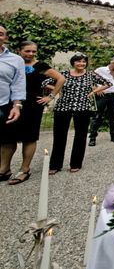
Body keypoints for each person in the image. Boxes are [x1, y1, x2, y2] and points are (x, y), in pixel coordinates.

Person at [1, 41, 65, 185]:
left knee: (29, 137)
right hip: (11, 103)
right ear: (19, 51)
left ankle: (24, 170)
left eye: (33, 51)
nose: (30, 54)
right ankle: (4, 169)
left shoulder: (40, 66)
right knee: (7, 137)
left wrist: (50, 96)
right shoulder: (12, 63)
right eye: (27, 51)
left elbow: (61, 78)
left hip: (32, 105)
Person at [49, 53, 110, 175]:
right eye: (78, 61)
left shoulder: (90, 75)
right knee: (59, 136)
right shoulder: (64, 74)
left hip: (82, 108)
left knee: (80, 136)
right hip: (63, 107)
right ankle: (55, 165)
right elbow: (45, 82)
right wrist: (57, 90)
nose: (81, 64)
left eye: (83, 61)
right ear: (73, 63)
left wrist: (94, 91)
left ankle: (75, 163)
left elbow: (108, 83)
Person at [0, 25, 26, 182]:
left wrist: (17, 105)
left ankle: (4, 169)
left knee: (7, 138)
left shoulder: (15, 60)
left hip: (4, 104)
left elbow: (18, 84)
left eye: (1, 34)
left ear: (5, 38)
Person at [88, 56, 114, 146]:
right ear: (112, 62)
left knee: (113, 117)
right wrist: (97, 88)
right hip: (102, 96)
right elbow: (89, 80)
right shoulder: (100, 70)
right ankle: (92, 138)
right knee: (97, 116)